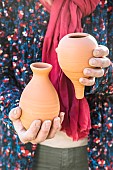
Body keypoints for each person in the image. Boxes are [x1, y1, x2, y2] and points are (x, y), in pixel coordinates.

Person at [0, 0, 112, 170]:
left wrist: (102, 75)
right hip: (27, 154)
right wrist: (16, 112)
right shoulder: (11, 4)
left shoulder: (106, 5)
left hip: (99, 148)